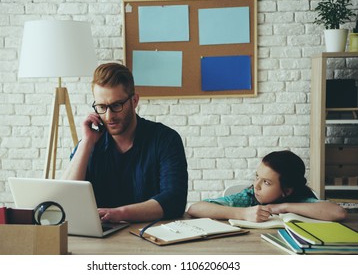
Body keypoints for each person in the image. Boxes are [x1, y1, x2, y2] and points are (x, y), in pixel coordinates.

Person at [62, 63, 188, 223]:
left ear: (134, 100)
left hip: (151, 238)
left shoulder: (165, 140)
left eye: (116, 105)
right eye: (101, 106)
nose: (108, 116)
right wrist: (86, 143)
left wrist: (119, 214)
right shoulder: (89, 144)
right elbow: (65, 200)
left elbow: (174, 201)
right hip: (99, 240)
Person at [187, 150, 347, 222]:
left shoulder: (300, 199)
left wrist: (284, 207)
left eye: (266, 182)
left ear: (287, 191)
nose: (256, 185)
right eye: (257, 177)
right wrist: (243, 214)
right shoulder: (249, 197)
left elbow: (338, 212)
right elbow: (195, 209)